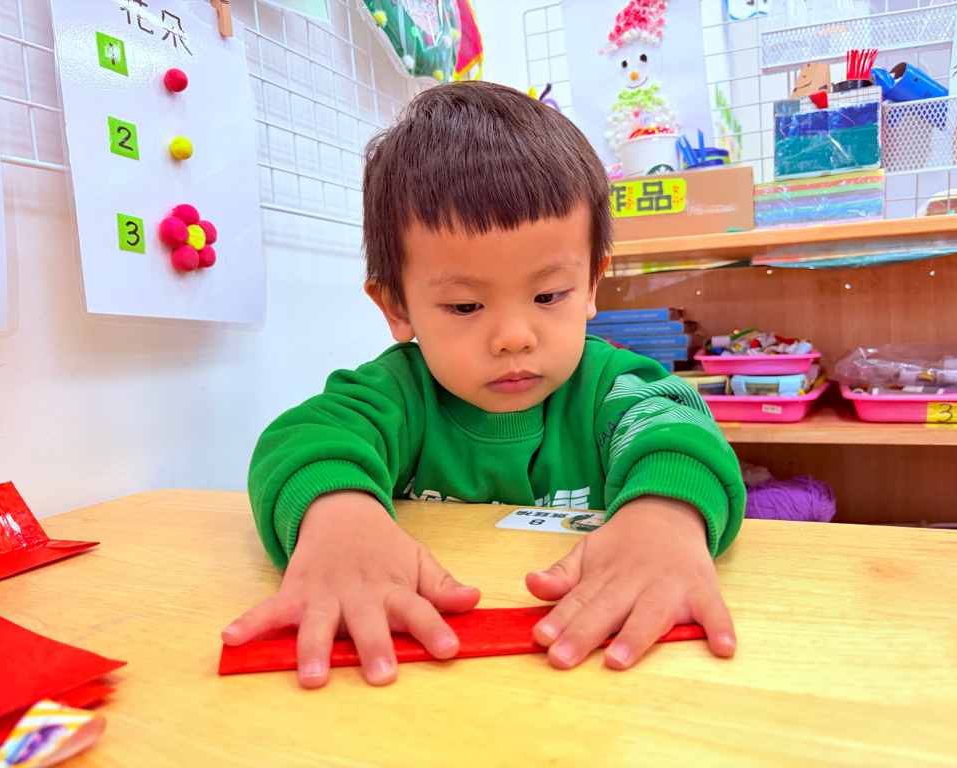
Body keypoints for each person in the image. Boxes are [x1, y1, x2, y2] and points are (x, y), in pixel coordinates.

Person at [222, 81, 745, 688]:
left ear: (592, 284)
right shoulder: (398, 395)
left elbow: (679, 427)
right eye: (466, 306)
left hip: (590, 677)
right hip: (428, 683)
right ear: (397, 307)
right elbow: (303, 438)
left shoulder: (613, 387)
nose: (514, 338)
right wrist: (337, 521)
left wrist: (666, 518)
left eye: (549, 295)